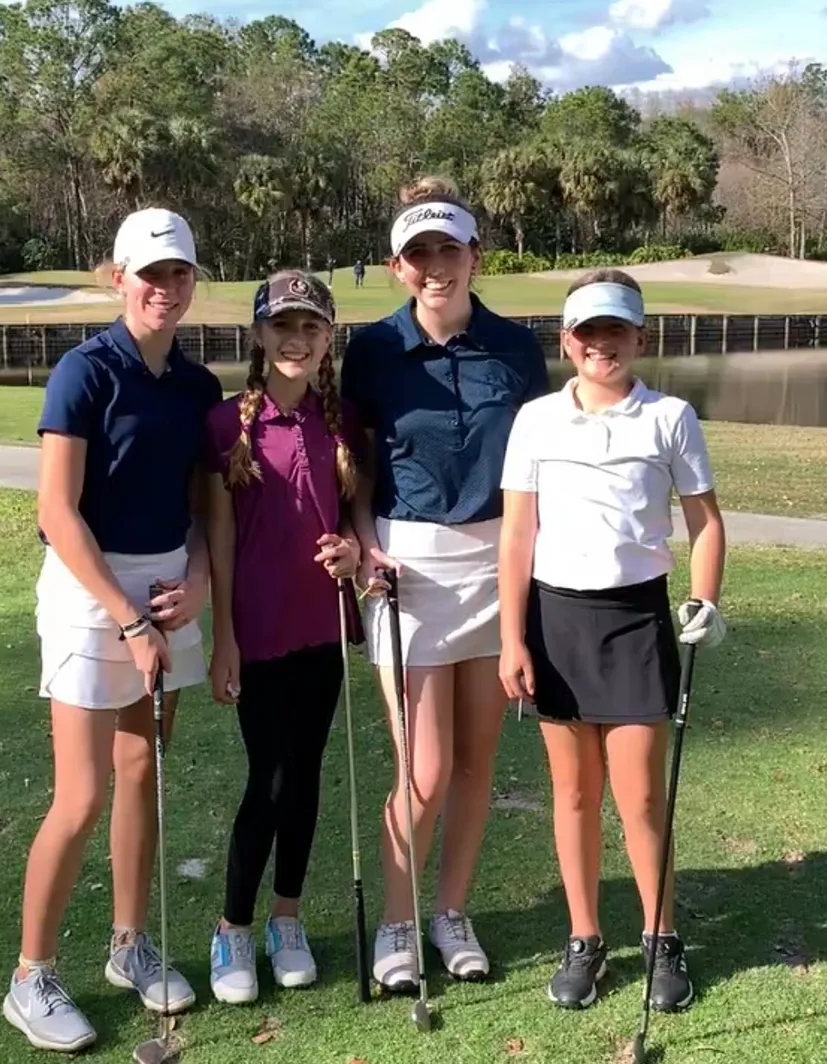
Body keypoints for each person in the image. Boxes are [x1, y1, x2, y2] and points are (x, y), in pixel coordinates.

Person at [3, 208, 222, 1053]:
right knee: (83, 792)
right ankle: (31, 977)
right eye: (150, 274)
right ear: (118, 277)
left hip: (168, 586)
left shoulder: (198, 387)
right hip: (90, 589)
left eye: (179, 275)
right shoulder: (83, 372)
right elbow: (56, 513)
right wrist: (128, 618)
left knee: (142, 776)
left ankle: (129, 945)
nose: (165, 289)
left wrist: (196, 584)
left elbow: (205, 510)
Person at [498, 268, 727, 1013]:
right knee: (571, 793)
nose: (602, 344)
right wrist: (511, 639)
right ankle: (584, 938)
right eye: (587, 331)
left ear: (640, 337)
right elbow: (516, 534)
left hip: (634, 619)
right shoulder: (534, 418)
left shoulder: (669, 417)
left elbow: (705, 522)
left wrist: (705, 599)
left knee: (637, 797)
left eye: (616, 330)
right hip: (555, 620)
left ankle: (660, 937)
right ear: (566, 341)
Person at [340, 175, 549, 990]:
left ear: (474, 256)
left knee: (475, 763)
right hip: (408, 568)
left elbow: (537, 468)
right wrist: (363, 547)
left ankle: (450, 912)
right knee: (422, 769)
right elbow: (354, 468)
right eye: (417, 253)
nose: (435, 266)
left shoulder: (514, 348)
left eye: (448, 249)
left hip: (497, 561)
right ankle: (396, 922)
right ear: (398, 266)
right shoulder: (374, 351)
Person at [205, 270, 365, 1004]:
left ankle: (286, 919)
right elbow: (221, 542)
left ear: (329, 337)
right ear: (259, 335)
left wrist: (353, 553)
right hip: (259, 631)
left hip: (322, 626)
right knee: (266, 779)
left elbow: (357, 520)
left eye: (310, 327)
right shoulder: (225, 425)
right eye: (282, 326)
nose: (295, 340)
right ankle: (232, 927)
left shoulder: (341, 423)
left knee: (304, 776)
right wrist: (223, 640)